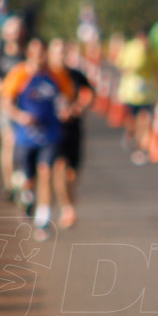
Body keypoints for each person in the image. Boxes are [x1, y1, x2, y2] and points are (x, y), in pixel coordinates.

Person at [0, 38, 74, 240]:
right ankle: (27, 195)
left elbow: (67, 97)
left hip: (50, 133)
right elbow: (5, 101)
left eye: (43, 53)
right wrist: (20, 116)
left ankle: (43, 220)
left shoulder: (56, 75)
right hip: (26, 136)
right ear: (30, 54)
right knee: (28, 179)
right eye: (36, 53)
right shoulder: (20, 73)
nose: (40, 57)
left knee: (46, 172)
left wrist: (66, 108)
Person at [48, 38, 94, 229]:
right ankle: (66, 207)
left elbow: (89, 94)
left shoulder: (75, 75)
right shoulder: (46, 76)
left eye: (64, 52)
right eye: (57, 51)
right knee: (58, 166)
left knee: (72, 173)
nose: (61, 56)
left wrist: (78, 108)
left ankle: (70, 202)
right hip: (52, 129)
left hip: (73, 129)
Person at [0, 15, 28, 199]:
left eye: (18, 31)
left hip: (25, 107)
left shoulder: (27, 54)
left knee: (23, 145)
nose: (15, 35)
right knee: (9, 142)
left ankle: (25, 183)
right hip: (6, 107)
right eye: (12, 32)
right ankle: (9, 185)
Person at [115, 27, 158, 163]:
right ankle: (130, 134)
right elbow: (120, 64)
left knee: (145, 120)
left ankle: (140, 149)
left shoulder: (153, 51)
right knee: (132, 120)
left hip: (149, 92)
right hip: (131, 92)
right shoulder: (129, 48)